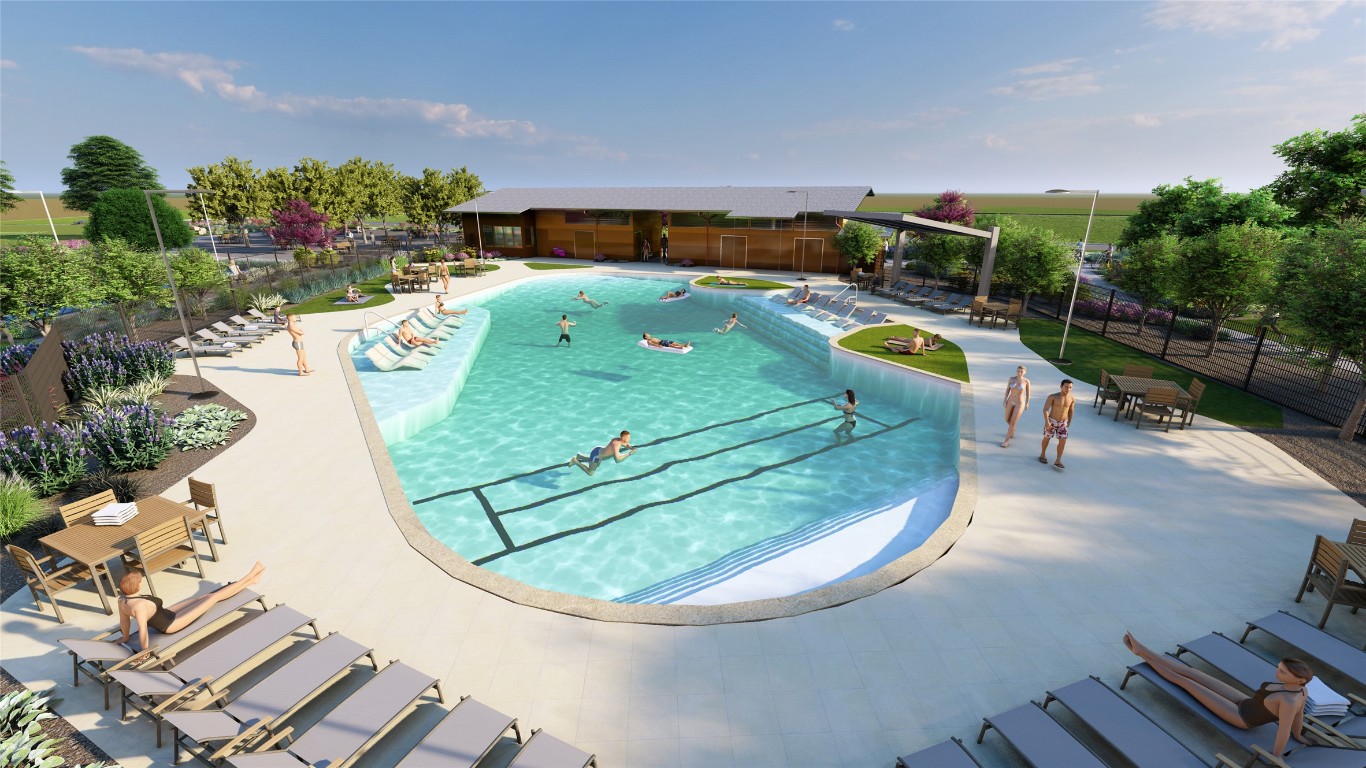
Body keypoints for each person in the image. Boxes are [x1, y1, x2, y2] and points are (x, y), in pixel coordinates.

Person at [1122, 633, 1316, 757]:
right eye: (1279, 668)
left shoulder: (1291, 700)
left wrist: (1277, 754)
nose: (1277, 673)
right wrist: (1298, 735)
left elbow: (1285, 728)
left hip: (1241, 717)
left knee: (1186, 682)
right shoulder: (1301, 689)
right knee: (1194, 673)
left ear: (1299, 681)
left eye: (1282, 672)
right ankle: (1145, 650)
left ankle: (1141, 654)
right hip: (1246, 701)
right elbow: (1300, 716)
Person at [115, 563, 266, 652]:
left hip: (165, 613)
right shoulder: (139, 605)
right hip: (170, 624)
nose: (142, 583)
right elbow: (142, 629)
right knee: (213, 597)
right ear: (136, 585)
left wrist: (126, 637)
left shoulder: (122, 600)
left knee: (203, 597)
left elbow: (124, 622)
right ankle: (250, 576)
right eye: (140, 581)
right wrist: (145, 651)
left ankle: (251, 581)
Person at [1039, 379, 1075, 469]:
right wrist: (1047, 422)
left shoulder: (1071, 398)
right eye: (1066, 387)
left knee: (1063, 441)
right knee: (1046, 438)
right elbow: (1045, 409)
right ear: (1061, 386)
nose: (1068, 389)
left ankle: (1058, 460)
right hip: (1051, 421)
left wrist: (1069, 421)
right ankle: (1042, 454)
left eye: (1070, 387)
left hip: (1063, 423)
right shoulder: (1053, 397)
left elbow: (1071, 411)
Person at [569, 430, 636, 475]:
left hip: (598, 451)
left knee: (595, 464)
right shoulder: (616, 444)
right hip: (597, 455)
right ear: (623, 437)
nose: (629, 439)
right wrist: (629, 453)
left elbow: (626, 444)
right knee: (590, 473)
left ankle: (579, 456)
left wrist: (631, 448)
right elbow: (618, 460)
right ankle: (575, 460)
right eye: (628, 437)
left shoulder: (619, 440)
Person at [1001, 365, 1031, 448]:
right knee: (1007, 419)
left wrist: (1027, 402)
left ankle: (1006, 440)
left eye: (1021, 371)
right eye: (1018, 371)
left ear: (1025, 372)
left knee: (1013, 421)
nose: (1019, 373)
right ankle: (1012, 429)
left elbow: (1028, 393)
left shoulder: (1026, 381)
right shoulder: (1011, 379)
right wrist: (1005, 399)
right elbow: (1007, 389)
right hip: (1010, 401)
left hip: (1020, 403)